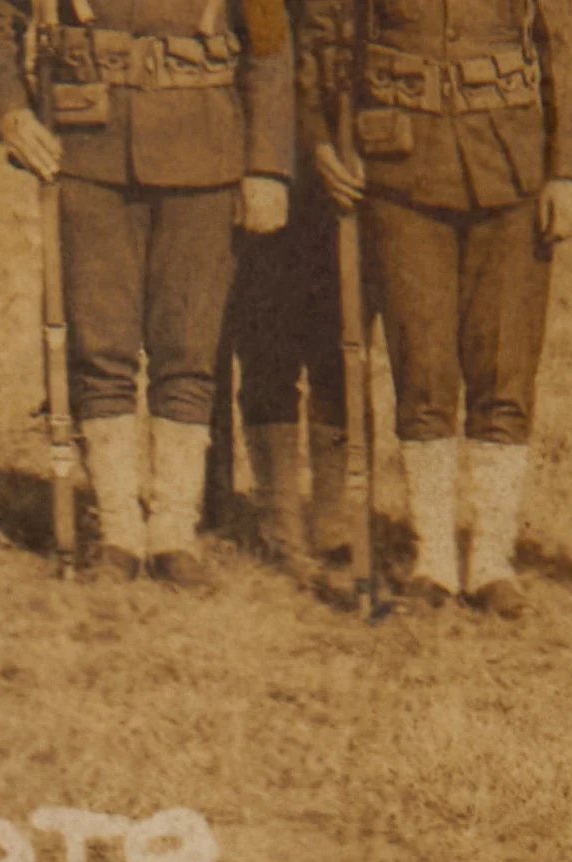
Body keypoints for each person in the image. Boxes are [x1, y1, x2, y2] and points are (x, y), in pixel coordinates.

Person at [0, 0, 295, 583]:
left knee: (190, 354)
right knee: (100, 350)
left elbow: (269, 46)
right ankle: (117, 531)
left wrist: (266, 166)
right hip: (88, 149)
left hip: (206, 152)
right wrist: (10, 112)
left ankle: (173, 530)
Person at [303, 0, 572, 614]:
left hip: (512, 169)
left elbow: (565, 46)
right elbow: (322, 36)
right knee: (422, 368)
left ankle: (491, 560)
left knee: (504, 367)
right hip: (402, 170)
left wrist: (567, 171)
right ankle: (434, 557)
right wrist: (321, 138)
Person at [218, 0, 351, 569]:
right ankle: (278, 518)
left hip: (345, 139)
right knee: (264, 330)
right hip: (261, 137)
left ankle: (332, 514)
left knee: (337, 336)